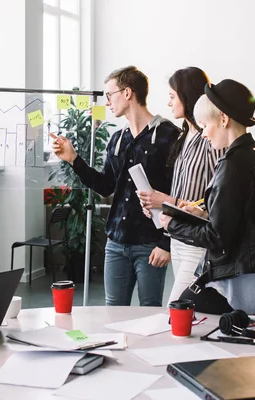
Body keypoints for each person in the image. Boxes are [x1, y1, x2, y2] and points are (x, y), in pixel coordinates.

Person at [51, 66, 179, 306]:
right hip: (116, 244)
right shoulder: (117, 139)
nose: (107, 102)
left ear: (128, 92)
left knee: (149, 313)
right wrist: (73, 159)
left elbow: (180, 195)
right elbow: (106, 186)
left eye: (110, 95)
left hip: (151, 244)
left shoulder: (168, 136)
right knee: (113, 313)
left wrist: (166, 243)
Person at [159, 79, 255, 316]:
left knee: (183, 318)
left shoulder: (232, 164)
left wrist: (173, 224)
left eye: (205, 125)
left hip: (238, 277)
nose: (204, 133)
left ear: (224, 119)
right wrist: (205, 213)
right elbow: (246, 219)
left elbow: (217, 237)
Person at [137, 67, 225, 304]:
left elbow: (219, 197)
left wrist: (167, 202)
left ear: (187, 96)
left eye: (172, 96)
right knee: (188, 315)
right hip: (177, 237)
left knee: (177, 309)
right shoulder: (183, 136)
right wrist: (159, 207)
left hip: (198, 241)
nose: (168, 103)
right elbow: (182, 191)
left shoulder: (211, 139)